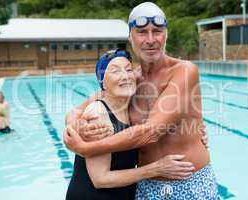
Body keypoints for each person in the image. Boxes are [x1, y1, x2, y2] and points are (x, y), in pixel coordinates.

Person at [64, 2, 218, 199]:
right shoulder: (130, 81)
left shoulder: (184, 71)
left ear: (166, 35)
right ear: (131, 37)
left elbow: (152, 132)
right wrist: (74, 128)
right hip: (147, 186)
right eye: (142, 32)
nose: (151, 39)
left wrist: (85, 148)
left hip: (191, 184)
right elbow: (76, 111)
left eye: (157, 31)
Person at [66, 49, 196, 200]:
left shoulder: (130, 106)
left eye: (128, 70)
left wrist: (197, 130)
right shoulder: (98, 114)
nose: (125, 76)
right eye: (115, 71)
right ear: (103, 83)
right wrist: (157, 169)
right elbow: (100, 179)